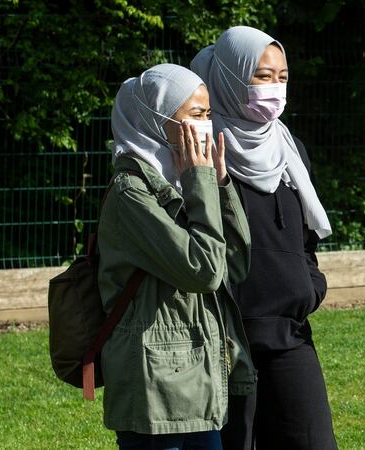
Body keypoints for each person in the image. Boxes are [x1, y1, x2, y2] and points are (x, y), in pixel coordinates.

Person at [191, 26, 336, 450]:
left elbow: (305, 240)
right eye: (261, 76)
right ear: (230, 77)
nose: (274, 88)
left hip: (290, 335)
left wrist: (310, 284)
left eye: (282, 77)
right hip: (225, 341)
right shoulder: (199, 148)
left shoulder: (289, 147)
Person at [98, 63, 256, 449]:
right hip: (156, 388)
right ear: (156, 120)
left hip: (196, 376)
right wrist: (200, 182)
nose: (207, 126)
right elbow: (202, 271)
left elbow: (232, 263)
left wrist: (218, 185)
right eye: (196, 116)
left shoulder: (183, 180)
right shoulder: (131, 192)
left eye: (208, 114)